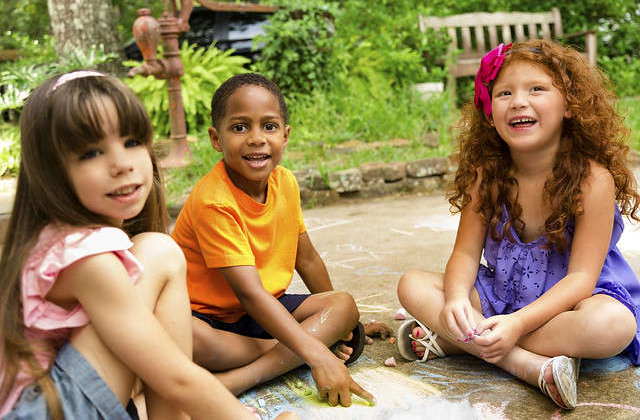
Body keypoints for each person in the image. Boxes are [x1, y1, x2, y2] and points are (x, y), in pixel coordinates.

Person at [0, 70, 297, 420]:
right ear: (52, 171)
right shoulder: (85, 258)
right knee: (160, 252)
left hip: (48, 401)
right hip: (42, 410)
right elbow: (175, 377)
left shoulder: (54, 237)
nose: (122, 164)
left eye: (131, 142)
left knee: (156, 253)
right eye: (92, 152)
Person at [396, 39, 640, 410]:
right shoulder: (487, 176)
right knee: (412, 284)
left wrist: (516, 325)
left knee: (613, 327)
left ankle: (456, 341)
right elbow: (464, 254)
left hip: (571, 304)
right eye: (504, 92)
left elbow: (580, 280)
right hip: (504, 295)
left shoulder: (593, 180)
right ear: (490, 112)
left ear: (570, 105)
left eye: (536, 89)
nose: (519, 101)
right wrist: (459, 298)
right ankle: (525, 365)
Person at [171, 73, 375, 407]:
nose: (256, 139)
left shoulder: (285, 183)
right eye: (239, 127)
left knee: (343, 305)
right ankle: (283, 358)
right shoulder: (214, 201)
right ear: (216, 138)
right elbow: (249, 294)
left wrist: (348, 323)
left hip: (264, 315)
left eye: (269, 126)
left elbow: (306, 259)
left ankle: (244, 373)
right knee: (188, 339)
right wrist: (319, 352)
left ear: (285, 134)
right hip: (207, 319)